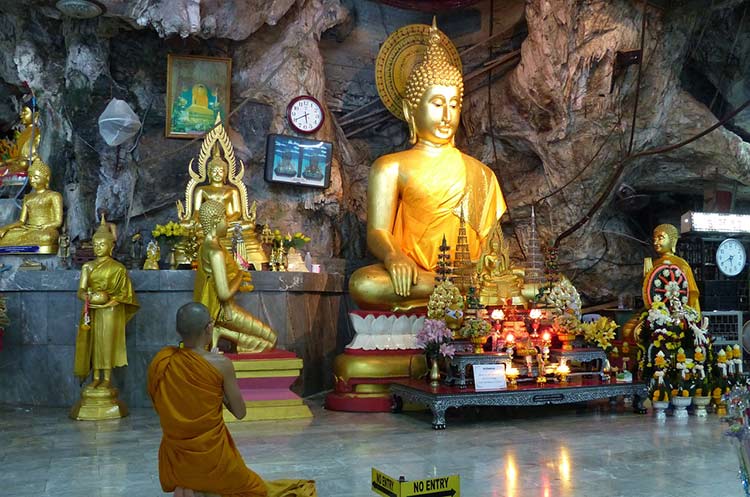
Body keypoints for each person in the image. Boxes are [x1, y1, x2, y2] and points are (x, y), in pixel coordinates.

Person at [348, 20, 506, 311]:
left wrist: (494, 273)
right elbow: (377, 232)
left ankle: (452, 292)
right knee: (365, 283)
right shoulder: (389, 166)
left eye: (454, 103)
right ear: (411, 109)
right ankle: (452, 294)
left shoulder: (482, 174)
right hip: (412, 276)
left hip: (468, 277)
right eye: (437, 103)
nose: (447, 115)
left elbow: (493, 252)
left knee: (528, 284)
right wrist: (394, 256)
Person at [148, 302, 317, 497]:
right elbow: (240, 412)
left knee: (188, 489)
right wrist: (217, 388)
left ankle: (196, 487)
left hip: (177, 462)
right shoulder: (221, 364)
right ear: (209, 328)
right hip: (215, 459)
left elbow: (160, 402)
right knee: (256, 490)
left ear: (179, 330)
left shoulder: (162, 361)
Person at [195, 200, 276, 352]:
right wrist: (240, 274)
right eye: (225, 218)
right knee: (271, 340)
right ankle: (223, 332)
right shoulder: (215, 252)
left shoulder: (206, 246)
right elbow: (224, 294)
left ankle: (221, 332)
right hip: (224, 312)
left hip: (220, 309)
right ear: (214, 221)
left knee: (268, 339)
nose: (228, 223)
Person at [74, 217, 139, 388]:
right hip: (92, 309)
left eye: (102, 245)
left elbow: (126, 294)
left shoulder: (118, 268)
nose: (98, 248)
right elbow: (80, 291)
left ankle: (107, 378)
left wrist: (109, 302)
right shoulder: (87, 267)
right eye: (95, 245)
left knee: (107, 342)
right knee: (94, 343)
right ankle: (96, 376)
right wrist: (88, 297)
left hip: (110, 310)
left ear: (111, 246)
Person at [0, 158, 63, 253]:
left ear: (46, 178)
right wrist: (6, 228)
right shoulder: (28, 197)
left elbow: (58, 221)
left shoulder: (54, 195)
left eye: (36, 177)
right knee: (4, 235)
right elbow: (21, 221)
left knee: (47, 237)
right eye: (30, 177)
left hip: (44, 230)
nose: (32, 180)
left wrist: (44, 226)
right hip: (29, 229)